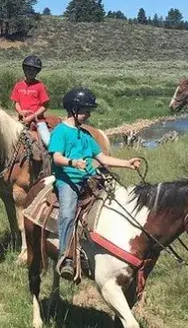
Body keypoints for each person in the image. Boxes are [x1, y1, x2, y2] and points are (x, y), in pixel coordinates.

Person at [49, 87, 141, 280]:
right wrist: (72, 162)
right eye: (84, 110)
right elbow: (56, 157)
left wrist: (127, 163)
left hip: (89, 178)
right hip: (68, 181)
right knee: (67, 213)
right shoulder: (60, 132)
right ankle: (65, 256)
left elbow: (103, 159)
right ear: (73, 109)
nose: (88, 114)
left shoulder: (86, 136)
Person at [10, 55, 51, 146]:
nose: (30, 72)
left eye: (33, 70)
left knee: (47, 142)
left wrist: (32, 117)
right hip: (21, 120)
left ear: (37, 72)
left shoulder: (40, 86)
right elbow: (16, 103)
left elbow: (45, 106)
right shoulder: (18, 85)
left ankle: (52, 159)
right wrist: (20, 112)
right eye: (28, 69)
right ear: (24, 70)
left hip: (38, 120)